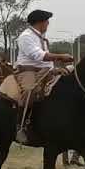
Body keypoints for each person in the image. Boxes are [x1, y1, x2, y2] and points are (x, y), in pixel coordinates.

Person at [14, 10, 74, 143]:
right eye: (47, 21)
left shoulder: (42, 38)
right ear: (40, 22)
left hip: (45, 71)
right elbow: (38, 55)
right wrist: (60, 56)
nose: (48, 24)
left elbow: (46, 61)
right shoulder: (26, 36)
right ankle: (20, 126)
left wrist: (56, 70)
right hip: (28, 71)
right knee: (30, 91)